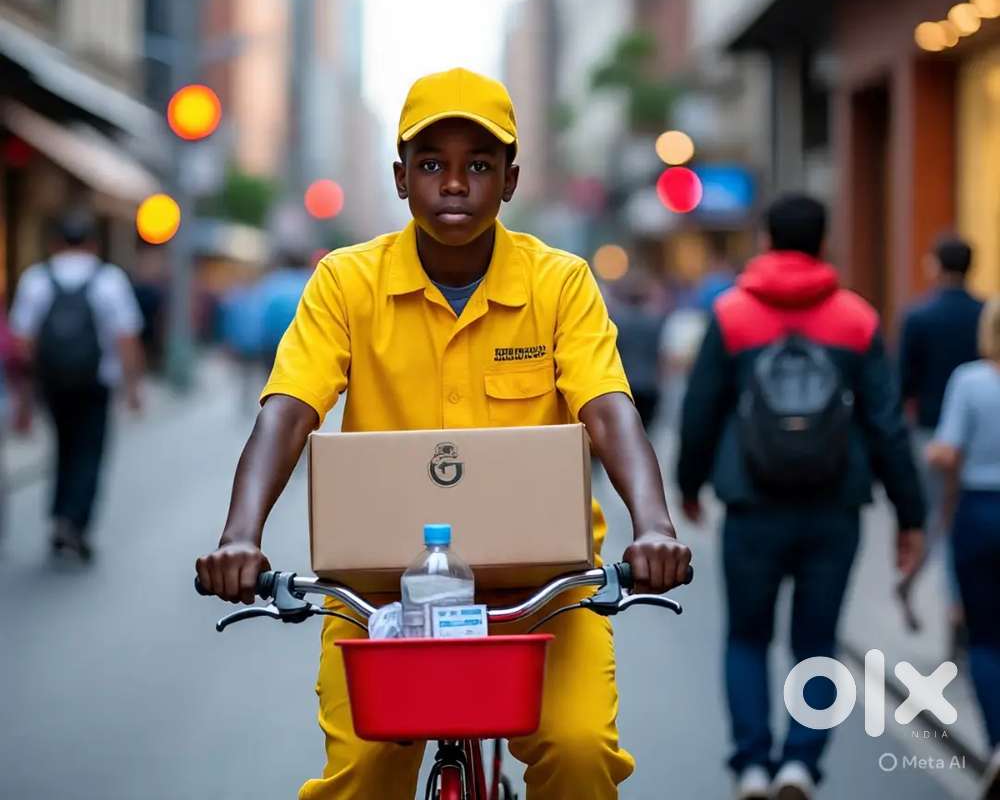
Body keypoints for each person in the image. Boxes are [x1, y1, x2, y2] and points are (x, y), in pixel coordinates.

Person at [196, 67, 692, 800]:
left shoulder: (560, 283)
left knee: (580, 753)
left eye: (478, 166)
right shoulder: (345, 282)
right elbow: (289, 408)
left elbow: (608, 406)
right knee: (362, 775)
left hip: (545, 594)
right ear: (400, 179)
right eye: (431, 164)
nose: (454, 184)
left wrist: (653, 525)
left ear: (511, 180)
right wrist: (241, 535)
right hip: (380, 597)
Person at [677, 193, 925, 800]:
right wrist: (910, 516)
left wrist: (688, 485)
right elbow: (888, 425)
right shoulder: (856, 319)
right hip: (834, 507)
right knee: (816, 643)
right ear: (823, 243)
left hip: (751, 503)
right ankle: (800, 765)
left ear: (764, 241)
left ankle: (753, 765)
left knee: (746, 637)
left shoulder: (732, 314)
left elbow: (701, 410)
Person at [9, 210, 144, 561]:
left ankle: (58, 518)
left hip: (52, 381)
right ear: (94, 244)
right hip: (96, 382)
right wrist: (133, 389)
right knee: (89, 451)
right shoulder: (108, 279)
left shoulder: (36, 279)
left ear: (56, 243)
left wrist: (23, 398)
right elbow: (126, 337)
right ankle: (75, 522)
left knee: (63, 446)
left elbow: (23, 342)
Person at [926, 297, 1000, 799]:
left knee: (987, 639)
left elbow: (946, 451)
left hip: (981, 512)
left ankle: (998, 742)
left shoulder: (971, 381)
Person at [897, 234, 983, 635]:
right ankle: (958, 605)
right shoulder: (985, 314)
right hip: (983, 431)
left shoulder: (919, 316)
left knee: (936, 519)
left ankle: (927, 589)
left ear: (935, 265)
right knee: (966, 518)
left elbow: (902, 387)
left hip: (931, 437)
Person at [607, 272, 666, 430]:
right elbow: (661, 354)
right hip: (649, 384)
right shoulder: (655, 321)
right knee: (645, 432)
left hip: (625, 385)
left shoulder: (616, 321)